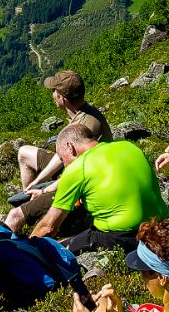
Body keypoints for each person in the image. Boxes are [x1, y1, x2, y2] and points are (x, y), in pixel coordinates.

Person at [20, 119, 165, 253]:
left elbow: (48, 227)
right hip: (160, 227)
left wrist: (27, 248)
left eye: (61, 157)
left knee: (57, 249)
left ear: (70, 147)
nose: (64, 164)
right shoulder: (127, 146)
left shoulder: (77, 168)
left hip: (124, 236)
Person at [6, 70, 112, 229]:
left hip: (83, 183)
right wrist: (36, 183)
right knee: (24, 153)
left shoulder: (84, 126)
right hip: (74, 169)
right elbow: (60, 157)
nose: (52, 94)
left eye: (54, 91)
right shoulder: (84, 114)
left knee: (13, 216)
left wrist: (45, 190)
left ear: (62, 98)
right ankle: (30, 201)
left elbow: (76, 174)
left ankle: (27, 215)